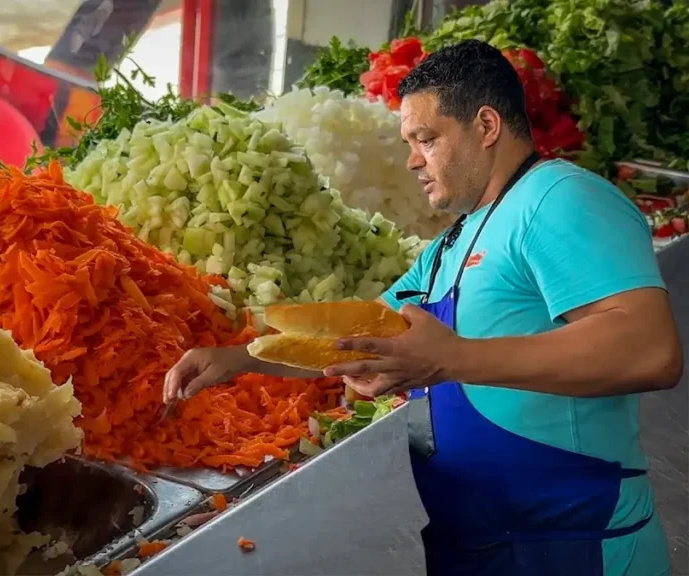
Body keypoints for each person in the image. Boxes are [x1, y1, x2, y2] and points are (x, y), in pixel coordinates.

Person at [163, 40, 682, 576]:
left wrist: (450, 359)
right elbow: (362, 333)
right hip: (481, 543)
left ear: (485, 126)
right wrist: (241, 357)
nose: (412, 159)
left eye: (426, 139)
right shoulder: (451, 245)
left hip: (576, 543)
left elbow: (650, 349)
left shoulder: (559, 199)